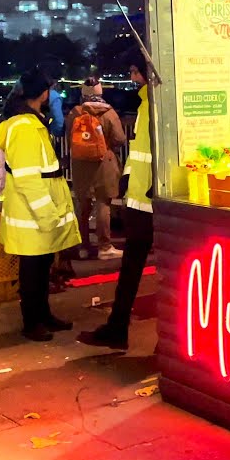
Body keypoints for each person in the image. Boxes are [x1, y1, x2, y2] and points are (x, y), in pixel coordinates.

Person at [0, 68, 82, 341]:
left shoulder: (28, 123)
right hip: (33, 215)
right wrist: (47, 213)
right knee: (33, 270)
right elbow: (28, 178)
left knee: (41, 268)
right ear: (43, 94)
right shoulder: (25, 127)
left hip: (34, 214)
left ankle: (42, 316)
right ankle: (32, 322)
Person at [79, 54, 154, 351]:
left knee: (134, 266)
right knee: (155, 268)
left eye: (135, 71)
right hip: (149, 196)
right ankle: (124, 328)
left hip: (146, 199)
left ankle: (118, 327)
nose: (133, 78)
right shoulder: (148, 101)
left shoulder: (150, 104)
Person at [65, 77, 127, 260]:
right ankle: (104, 247)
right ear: (100, 92)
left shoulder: (75, 113)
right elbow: (120, 139)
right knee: (103, 203)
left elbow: (69, 136)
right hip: (103, 162)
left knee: (83, 204)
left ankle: (83, 247)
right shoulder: (108, 113)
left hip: (80, 164)